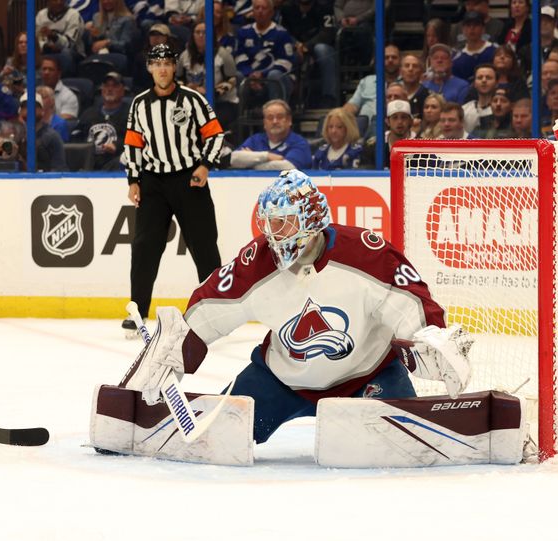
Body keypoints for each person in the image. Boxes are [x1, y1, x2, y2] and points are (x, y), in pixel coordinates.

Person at [121, 170, 472, 446]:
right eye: (269, 223)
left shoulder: (367, 253)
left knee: (409, 441)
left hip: (369, 376)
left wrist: (431, 339)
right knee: (220, 436)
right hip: (280, 379)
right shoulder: (256, 262)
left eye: (282, 222)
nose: (273, 235)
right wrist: (174, 352)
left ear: (311, 219)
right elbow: (209, 309)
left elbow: (409, 301)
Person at [122, 43, 224, 333]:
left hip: (188, 180)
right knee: (144, 247)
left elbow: (215, 135)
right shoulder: (140, 104)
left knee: (204, 246)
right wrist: (133, 179)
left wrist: (205, 165)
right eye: (157, 64)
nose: (163, 68)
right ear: (149, 68)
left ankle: (215, 311)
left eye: (167, 63)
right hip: (153, 182)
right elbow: (132, 143)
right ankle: (138, 311)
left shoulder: (192, 99)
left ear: (174, 67)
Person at [234, 0, 297, 100]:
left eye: (264, 8)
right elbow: (239, 58)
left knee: (274, 75)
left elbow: (286, 62)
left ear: (272, 12)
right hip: (250, 76)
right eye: (257, 8)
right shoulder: (243, 32)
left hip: (274, 76)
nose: (260, 11)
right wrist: (250, 74)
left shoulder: (281, 33)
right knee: (237, 75)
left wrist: (263, 74)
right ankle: (240, 113)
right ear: (252, 12)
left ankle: (276, 110)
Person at [229, 99, 312, 170]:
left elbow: (288, 167)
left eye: (279, 117)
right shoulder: (255, 140)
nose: (275, 121)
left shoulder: (299, 142)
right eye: (270, 117)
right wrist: (267, 156)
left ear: (289, 120)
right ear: (264, 123)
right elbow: (233, 159)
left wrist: (250, 163)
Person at [76, 71, 130, 170]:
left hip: (114, 164)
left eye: (114, 86)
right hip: (87, 164)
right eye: (106, 86)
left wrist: (117, 146)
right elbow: (75, 138)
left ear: (123, 90)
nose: (109, 89)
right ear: (102, 89)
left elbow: (137, 140)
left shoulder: (130, 114)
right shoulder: (89, 113)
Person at [362, 99, 416, 168]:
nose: (399, 122)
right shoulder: (373, 147)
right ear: (387, 121)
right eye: (395, 118)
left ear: (410, 121)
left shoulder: (422, 147)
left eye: (404, 117)